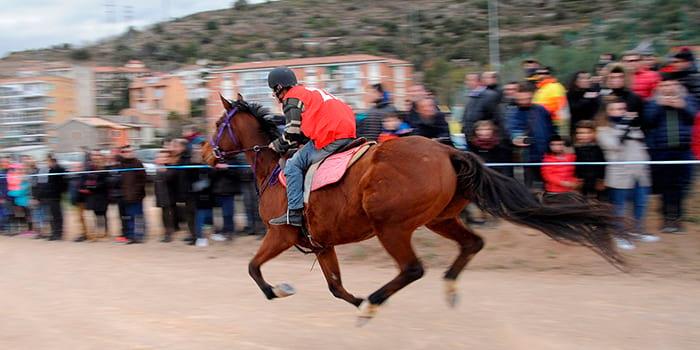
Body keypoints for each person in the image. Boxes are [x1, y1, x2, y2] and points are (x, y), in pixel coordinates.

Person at [266, 66, 357, 226]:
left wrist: (276, 145)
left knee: (293, 165)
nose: (275, 96)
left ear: (279, 87)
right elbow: (303, 130)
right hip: (348, 132)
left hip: (331, 136)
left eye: (274, 91)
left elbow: (292, 133)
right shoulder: (309, 92)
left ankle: (294, 212)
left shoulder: (291, 98)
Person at [597, 98, 659, 250]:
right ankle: (620, 235)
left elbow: (641, 145)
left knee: (640, 203)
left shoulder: (634, 127)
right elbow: (614, 145)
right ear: (607, 111)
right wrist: (624, 125)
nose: (620, 112)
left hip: (640, 172)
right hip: (620, 174)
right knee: (620, 207)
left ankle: (638, 231)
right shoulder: (603, 130)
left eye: (622, 108)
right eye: (615, 109)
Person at [644, 78, 697, 233]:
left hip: (684, 150)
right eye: (665, 85)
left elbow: (694, 118)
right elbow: (648, 122)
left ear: (678, 86)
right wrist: (659, 106)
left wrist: (683, 106)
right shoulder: (653, 102)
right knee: (665, 185)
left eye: (672, 84)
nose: (669, 88)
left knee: (681, 185)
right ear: (660, 87)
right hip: (662, 150)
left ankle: (678, 218)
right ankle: (667, 219)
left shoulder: (688, 99)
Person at [507, 82, 555, 189]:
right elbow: (513, 128)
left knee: (548, 183)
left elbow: (551, 128)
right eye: (521, 99)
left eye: (527, 98)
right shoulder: (513, 112)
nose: (524, 102)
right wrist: (517, 138)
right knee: (530, 185)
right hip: (528, 156)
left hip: (546, 154)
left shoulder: (541, 110)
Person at [461, 72, 502, 141]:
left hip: (484, 138)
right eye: (467, 80)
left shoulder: (489, 96)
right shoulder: (472, 96)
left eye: (471, 80)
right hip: (471, 137)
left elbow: (495, 117)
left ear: (480, 81)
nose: (468, 82)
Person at [119, 145, 147, 244]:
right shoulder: (121, 164)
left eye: (130, 151)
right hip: (125, 196)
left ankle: (139, 235)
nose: (128, 153)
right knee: (128, 216)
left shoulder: (138, 163)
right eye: (125, 151)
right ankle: (131, 235)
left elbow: (143, 180)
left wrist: (136, 192)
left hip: (136, 196)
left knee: (138, 216)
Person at [573, 120, 607, 199]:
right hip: (581, 183)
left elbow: (602, 165)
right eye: (579, 133)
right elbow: (576, 166)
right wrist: (578, 178)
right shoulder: (576, 149)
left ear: (594, 133)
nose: (583, 135)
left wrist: (600, 180)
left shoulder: (598, 149)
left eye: (587, 133)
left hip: (595, 182)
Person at [189, 142, 214, 247]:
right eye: (197, 149)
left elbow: (210, 176)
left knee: (208, 216)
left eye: (201, 149)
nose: (199, 151)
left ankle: (209, 234)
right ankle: (200, 237)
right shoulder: (191, 164)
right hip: (197, 195)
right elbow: (191, 182)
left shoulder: (206, 163)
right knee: (200, 216)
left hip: (208, 194)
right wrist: (202, 184)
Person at [533, 67, 569, 134]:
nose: (540, 75)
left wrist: (538, 111)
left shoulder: (555, 86)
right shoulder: (541, 89)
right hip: (546, 122)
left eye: (544, 73)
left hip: (556, 124)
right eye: (538, 73)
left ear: (550, 75)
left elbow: (558, 105)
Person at [210, 157, 238, 241]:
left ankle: (229, 231)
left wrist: (227, 168)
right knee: (217, 214)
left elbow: (236, 175)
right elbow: (211, 176)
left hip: (228, 191)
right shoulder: (214, 160)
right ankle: (220, 230)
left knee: (228, 213)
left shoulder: (233, 160)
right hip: (216, 191)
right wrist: (216, 168)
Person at [84, 152, 110, 240]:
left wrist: (94, 185)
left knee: (103, 214)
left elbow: (105, 182)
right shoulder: (91, 169)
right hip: (94, 196)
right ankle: (99, 230)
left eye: (98, 160)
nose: (96, 161)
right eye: (94, 160)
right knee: (96, 214)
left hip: (102, 195)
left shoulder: (104, 170)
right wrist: (91, 185)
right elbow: (87, 180)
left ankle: (105, 231)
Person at [567, 71, 600, 138]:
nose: (586, 80)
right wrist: (585, 99)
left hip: (592, 128)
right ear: (575, 81)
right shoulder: (570, 94)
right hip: (576, 128)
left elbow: (598, 110)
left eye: (588, 78)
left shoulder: (593, 92)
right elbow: (573, 109)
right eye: (582, 78)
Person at [154, 149, 176, 242]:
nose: (162, 159)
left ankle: (169, 234)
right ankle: (166, 232)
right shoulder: (158, 168)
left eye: (164, 157)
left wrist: (163, 171)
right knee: (163, 215)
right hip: (160, 196)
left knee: (168, 216)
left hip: (169, 197)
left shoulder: (170, 168)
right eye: (160, 157)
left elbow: (170, 178)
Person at [45, 155, 67, 241]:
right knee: (52, 215)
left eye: (48, 161)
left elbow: (63, 184)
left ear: (53, 161)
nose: (47, 163)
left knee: (57, 215)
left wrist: (60, 192)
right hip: (51, 196)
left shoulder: (60, 170)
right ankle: (54, 232)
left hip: (56, 196)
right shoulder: (51, 170)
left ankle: (59, 233)